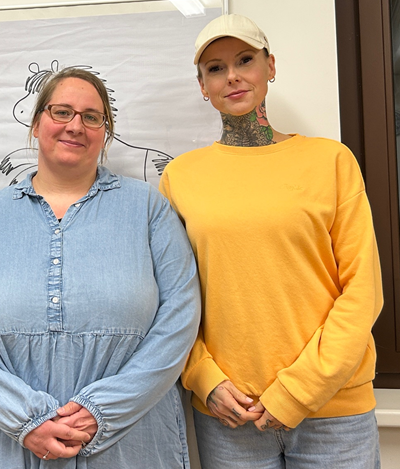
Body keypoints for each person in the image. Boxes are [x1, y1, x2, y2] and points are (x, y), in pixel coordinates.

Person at [0, 67, 201, 468]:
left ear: (105, 133)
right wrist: (25, 419)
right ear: (36, 123)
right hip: (5, 443)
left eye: (91, 117)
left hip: (129, 442)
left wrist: (103, 411)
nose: (75, 126)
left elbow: (180, 319)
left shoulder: (148, 209)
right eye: (61, 112)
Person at [159, 14, 383, 469]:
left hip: (333, 411)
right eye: (216, 68)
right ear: (202, 86)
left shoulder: (331, 160)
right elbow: (170, 297)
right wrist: (203, 378)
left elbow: (363, 290)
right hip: (230, 414)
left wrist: (298, 391)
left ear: (271, 66)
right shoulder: (181, 176)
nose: (232, 76)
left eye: (245, 60)